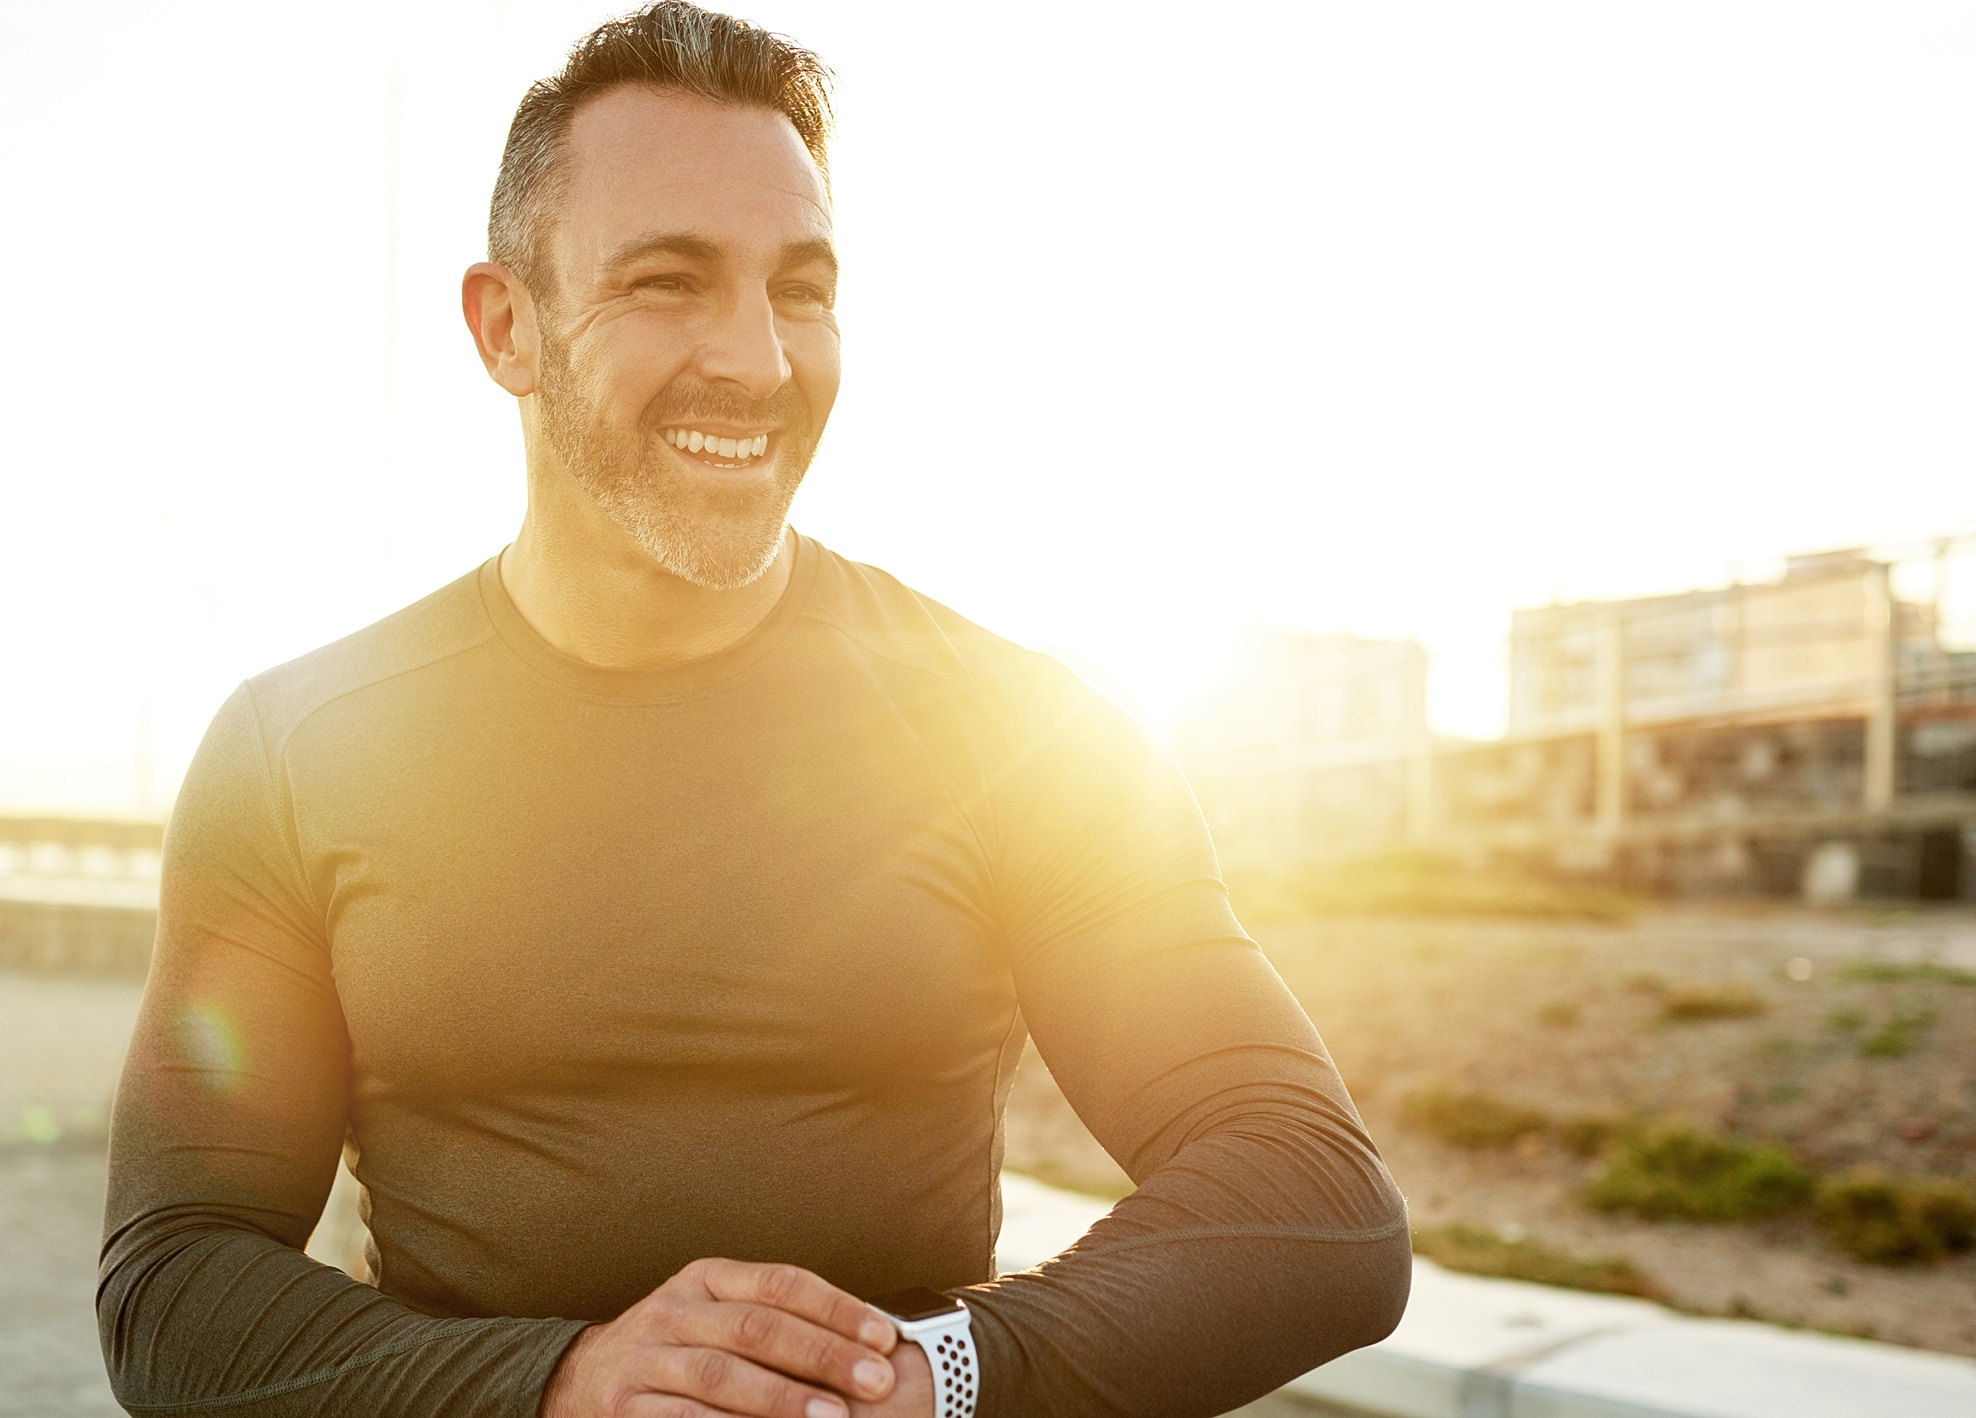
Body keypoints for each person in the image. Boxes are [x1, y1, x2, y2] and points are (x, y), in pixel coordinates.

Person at [97, 5, 1411, 1415]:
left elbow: (1316, 1194)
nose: (760, 360)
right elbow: (173, 1279)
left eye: (800, 287)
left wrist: (944, 1374)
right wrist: (556, 1387)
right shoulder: (299, 751)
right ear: (505, 326)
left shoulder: (1018, 729)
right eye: (670, 281)